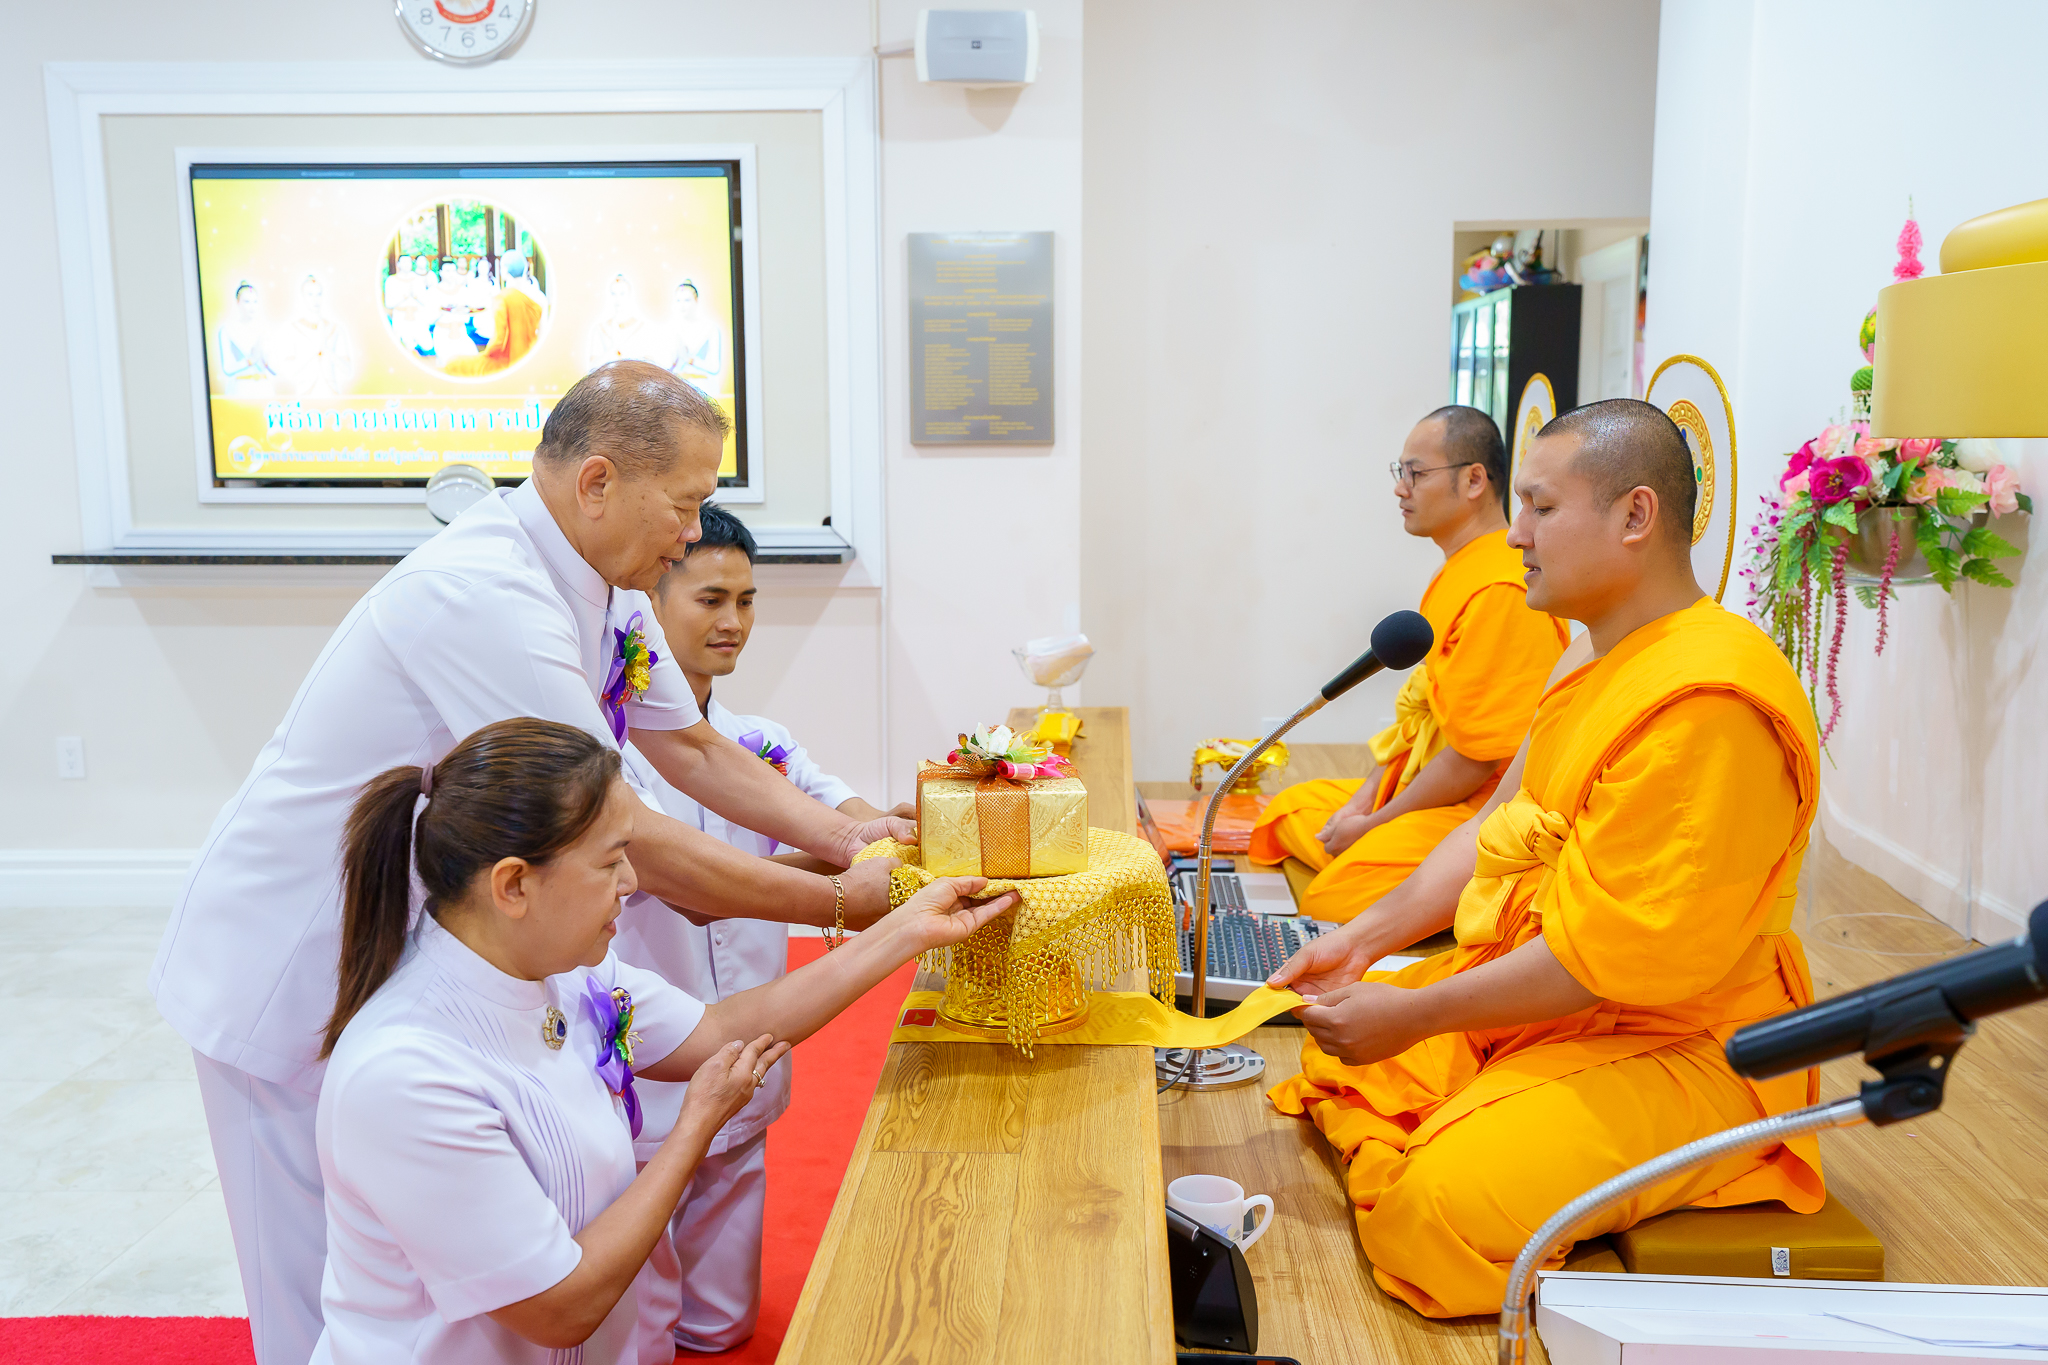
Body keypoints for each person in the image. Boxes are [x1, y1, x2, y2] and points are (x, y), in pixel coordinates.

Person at [151, 361, 912, 1365]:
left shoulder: (608, 587)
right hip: (294, 970)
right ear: (597, 482)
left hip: (424, 946)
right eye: (684, 505)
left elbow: (693, 751)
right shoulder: (483, 596)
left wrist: (850, 840)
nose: (692, 534)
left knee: (472, 1275)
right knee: (326, 1301)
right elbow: (624, 834)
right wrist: (841, 904)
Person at [1265, 399, 1825, 1318]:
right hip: (1566, 995)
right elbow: (1493, 825)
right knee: (1347, 1066)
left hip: (1679, 1037)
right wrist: (1364, 941)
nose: (1514, 534)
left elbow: (1606, 960)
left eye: (1540, 508)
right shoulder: (1588, 659)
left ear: (1635, 515)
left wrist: (1416, 1009)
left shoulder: (1709, 705)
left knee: (1429, 1209)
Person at [313, 717, 1013, 1365]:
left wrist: (908, 929)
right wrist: (694, 1127)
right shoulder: (404, 1074)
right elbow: (560, 1306)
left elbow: (719, 1029)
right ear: (515, 885)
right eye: (613, 859)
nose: (633, 883)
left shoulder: (554, 968)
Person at [613, 504, 912, 1357]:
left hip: (751, 1055)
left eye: (746, 600)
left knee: (725, 1329)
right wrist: (850, 880)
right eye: (710, 598)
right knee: (642, 1328)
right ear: (649, 603)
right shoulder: (611, 759)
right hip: (645, 1069)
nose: (733, 622)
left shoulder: (760, 742)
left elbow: (856, 820)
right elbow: (695, 896)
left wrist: (901, 827)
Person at [1249, 406, 1568, 924]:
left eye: (1415, 473)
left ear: (1472, 480)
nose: (1401, 489)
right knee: (1291, 808)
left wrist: (1375, 824)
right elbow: (1418, 723)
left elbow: (1477, 758)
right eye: (1400, 473)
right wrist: (1365, 803)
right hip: (1427, 784)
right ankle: (1371, 862)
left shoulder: (1500, 590)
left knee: (1332, 897)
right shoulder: (1461, 570)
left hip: (1479, 809)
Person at [446, 252, 545, 378]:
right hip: (531, 358)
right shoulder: (540, 297)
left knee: (453, 363)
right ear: (525, 269)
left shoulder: (503, 298)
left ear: (504, 270)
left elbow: (498, 341)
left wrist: (486, 355)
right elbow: (542, 334)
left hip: (506, 361)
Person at [667, 280, 725, 398]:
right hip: (677, 390)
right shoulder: (672, 329)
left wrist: (690, 359)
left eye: (687, 300)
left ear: (696, 301)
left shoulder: (710, 328)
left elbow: (714, 367)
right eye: (679, 300)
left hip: (703, 389)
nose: (682, 305)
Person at [218, 281, 275, 399]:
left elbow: (275, 368)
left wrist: (267, 361)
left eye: (255, 302)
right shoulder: (228, 329)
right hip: (241, 389)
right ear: (238, 303)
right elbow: (227, 368)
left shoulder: (265, 328)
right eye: (247, 302)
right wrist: (250, 361)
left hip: (264, 388)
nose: (252, 306)